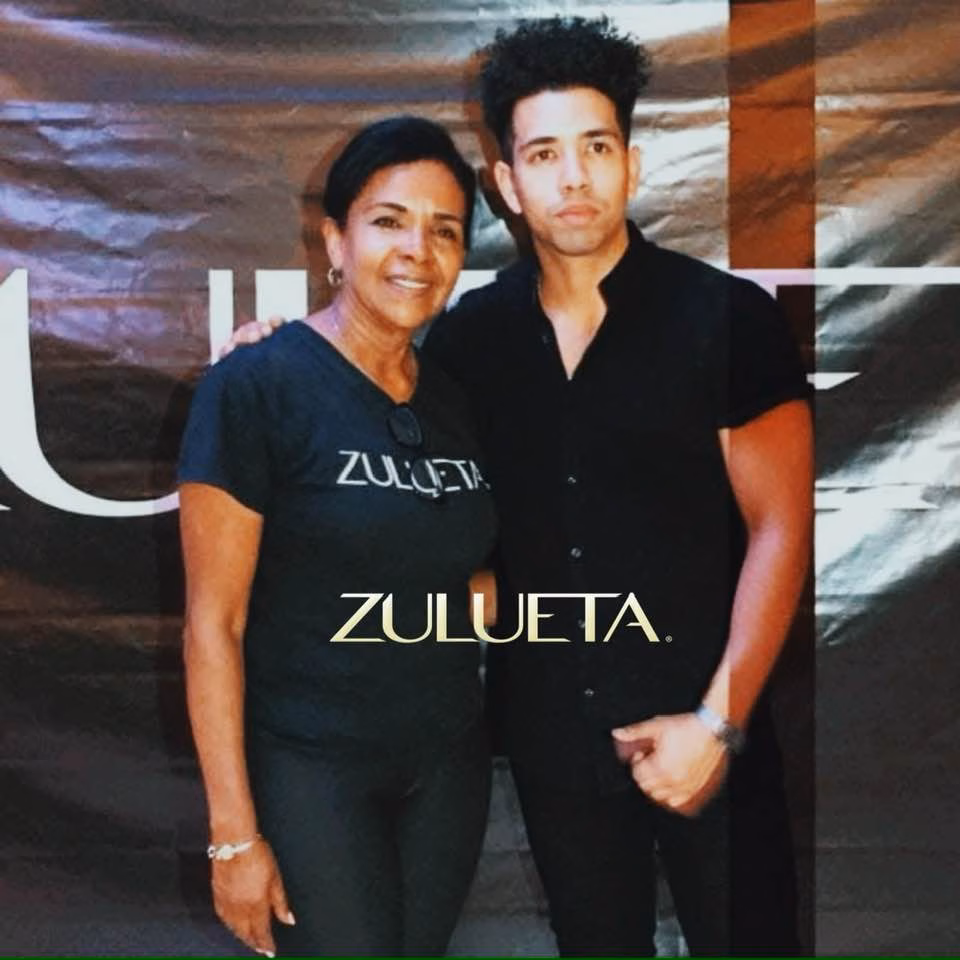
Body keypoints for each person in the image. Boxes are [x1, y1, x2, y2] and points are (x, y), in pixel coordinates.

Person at [225, 15, 813, 957]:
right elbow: (363, 385)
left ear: (632, 162)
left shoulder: (727, 319)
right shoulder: (468, 343)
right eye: (543, 153)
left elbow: (782, 529)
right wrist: (272, 356)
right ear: (506, 182)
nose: (572, 176)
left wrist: (719, 721)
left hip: (713, 729)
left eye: (596, 147)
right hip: (554, 748)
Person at [178, 116, 496, 958]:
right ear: (335, 241)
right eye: (388, 220)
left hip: (446, 768)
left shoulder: (460, 401)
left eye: (444, 230)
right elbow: (215, 625)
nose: (416, 251)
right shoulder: (258, 384)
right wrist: (234, 837)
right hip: (310, 768)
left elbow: (474, 573)